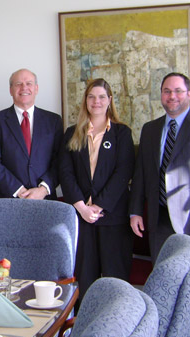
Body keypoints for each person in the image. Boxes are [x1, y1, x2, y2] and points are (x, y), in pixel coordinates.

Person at [129, 72, 190, 337]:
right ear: (161, 95)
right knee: (165, 285)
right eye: (167, 91)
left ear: (189, 94)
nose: (172, 96)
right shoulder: (150, 129)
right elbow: (141, 174)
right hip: (158, 220)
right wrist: (135, 210)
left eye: (178, 91)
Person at [59, 78, 135, 304]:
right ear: (85, 101)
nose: (97, 101)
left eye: (102, 96)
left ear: (110, 100)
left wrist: (99, 205)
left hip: (112, 218)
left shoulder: (122, 133)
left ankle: (117, 329)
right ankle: (83, 330)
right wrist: (82, 207)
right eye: (91, 96)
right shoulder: (73, 133)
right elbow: (65, 173)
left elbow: (124, 172)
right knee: (84, 280)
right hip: (81, 218)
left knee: (116, 280)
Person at [0, 68, 63, 199]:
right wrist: (18, 190)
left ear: (36, 89)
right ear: (11, 90)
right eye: (18, 84)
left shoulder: (53, 121)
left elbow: (60, 160)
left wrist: (43, 189)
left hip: (45, 200)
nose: (24, 88)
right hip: (9, 199)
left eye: (29, 83)